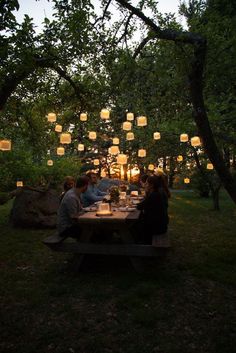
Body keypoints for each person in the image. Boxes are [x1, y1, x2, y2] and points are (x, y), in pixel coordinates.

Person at [135, 175, 169, 244]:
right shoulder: (158, 192)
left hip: (157, 227)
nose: (145, 185)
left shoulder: (154, 195)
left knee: (135, 224)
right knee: (138, 221)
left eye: (147, 183)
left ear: (152, 185)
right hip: (161, 224)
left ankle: (140, 242)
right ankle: (139, 239)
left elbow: (139, 207)